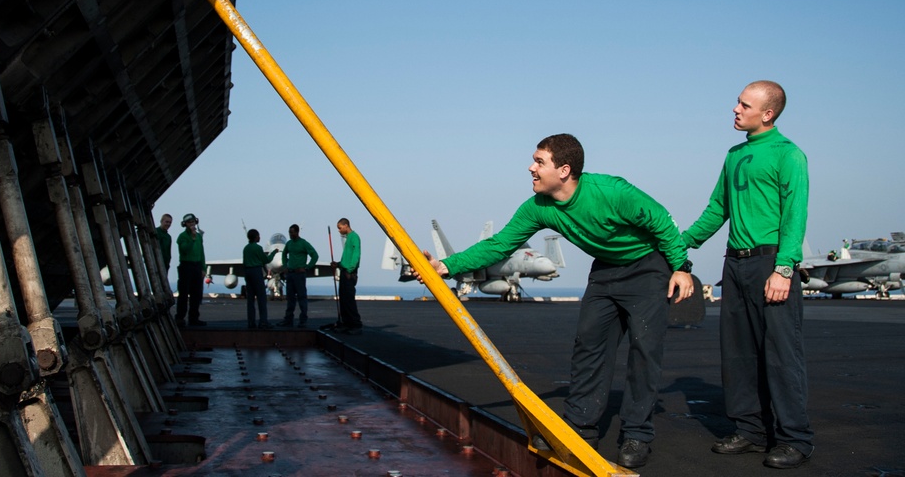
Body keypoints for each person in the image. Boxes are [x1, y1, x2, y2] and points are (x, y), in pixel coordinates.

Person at [424, 133, 693, 469]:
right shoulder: (538, 207)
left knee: (644, 351)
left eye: (539, 162)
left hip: (648, 267)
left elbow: (662, 222)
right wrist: (446, 266)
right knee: (589, 346)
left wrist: (681, 268)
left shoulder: (612, 192)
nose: (530, 168)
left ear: (564, 170)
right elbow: (499, 245)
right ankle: (581, 428)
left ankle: (637, 433)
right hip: (606, 270)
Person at [682, 80, 813, 469]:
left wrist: (784, 268)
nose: (735, 109)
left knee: (781, 356)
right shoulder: (734, 154)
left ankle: (795, 439)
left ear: (767, 113)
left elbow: (795, 215)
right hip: (734, 264)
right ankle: (751, 432)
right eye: (737, 103)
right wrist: (679, 243)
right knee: (737, 353)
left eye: (744, 105)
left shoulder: (789, 155)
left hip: (770, 264)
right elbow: (716, 209)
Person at [278, 224, 318, 327]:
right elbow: (284, 254)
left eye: (292, 232)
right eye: (289, 232)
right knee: (290, 298)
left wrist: (307, 267)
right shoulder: (289, 244)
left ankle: (303, 320)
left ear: (297, 232)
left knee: (302, 298)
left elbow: (315, 255)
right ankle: (288, 319)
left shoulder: (303, 243)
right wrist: (285, 265)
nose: (290, 234)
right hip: (290, 274)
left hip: (299, 274)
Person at [243, 229, 278, 329]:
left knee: (250, 300)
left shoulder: (246, 248)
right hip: (256, 272)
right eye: (258, 236)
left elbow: (244, 263)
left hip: (248, 273)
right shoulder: (258, 248)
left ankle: (251, 322)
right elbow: (266, 260)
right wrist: (274, 253)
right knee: (261, 299)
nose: (260, 237)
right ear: (255, 237)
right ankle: (263, 322)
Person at [176, 213, 206, 327]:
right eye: (189, 222)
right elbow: (184, 250)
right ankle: (180, 318)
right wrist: (192, 239)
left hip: (197, 266)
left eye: (193, 221)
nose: (192, 224)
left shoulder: (199, 236)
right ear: (185, 224)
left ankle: (194, 318)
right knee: (183, 294)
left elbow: (201, 253)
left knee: (196, 294)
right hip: (186, 266)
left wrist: (203, 268)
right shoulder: (182, 237)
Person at [333, 218, 363, 334]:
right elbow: (346, 256)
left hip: (349, 273)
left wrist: (350, 269)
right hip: (344, 270)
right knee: (344, 299)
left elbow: (356, 255)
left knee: (349, 300)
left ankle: (356, 325)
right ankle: (346, 323)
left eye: (340, 228)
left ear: (346, 225)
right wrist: (338, 264)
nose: (339, 231)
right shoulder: (347, 238)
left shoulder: (354, 237)